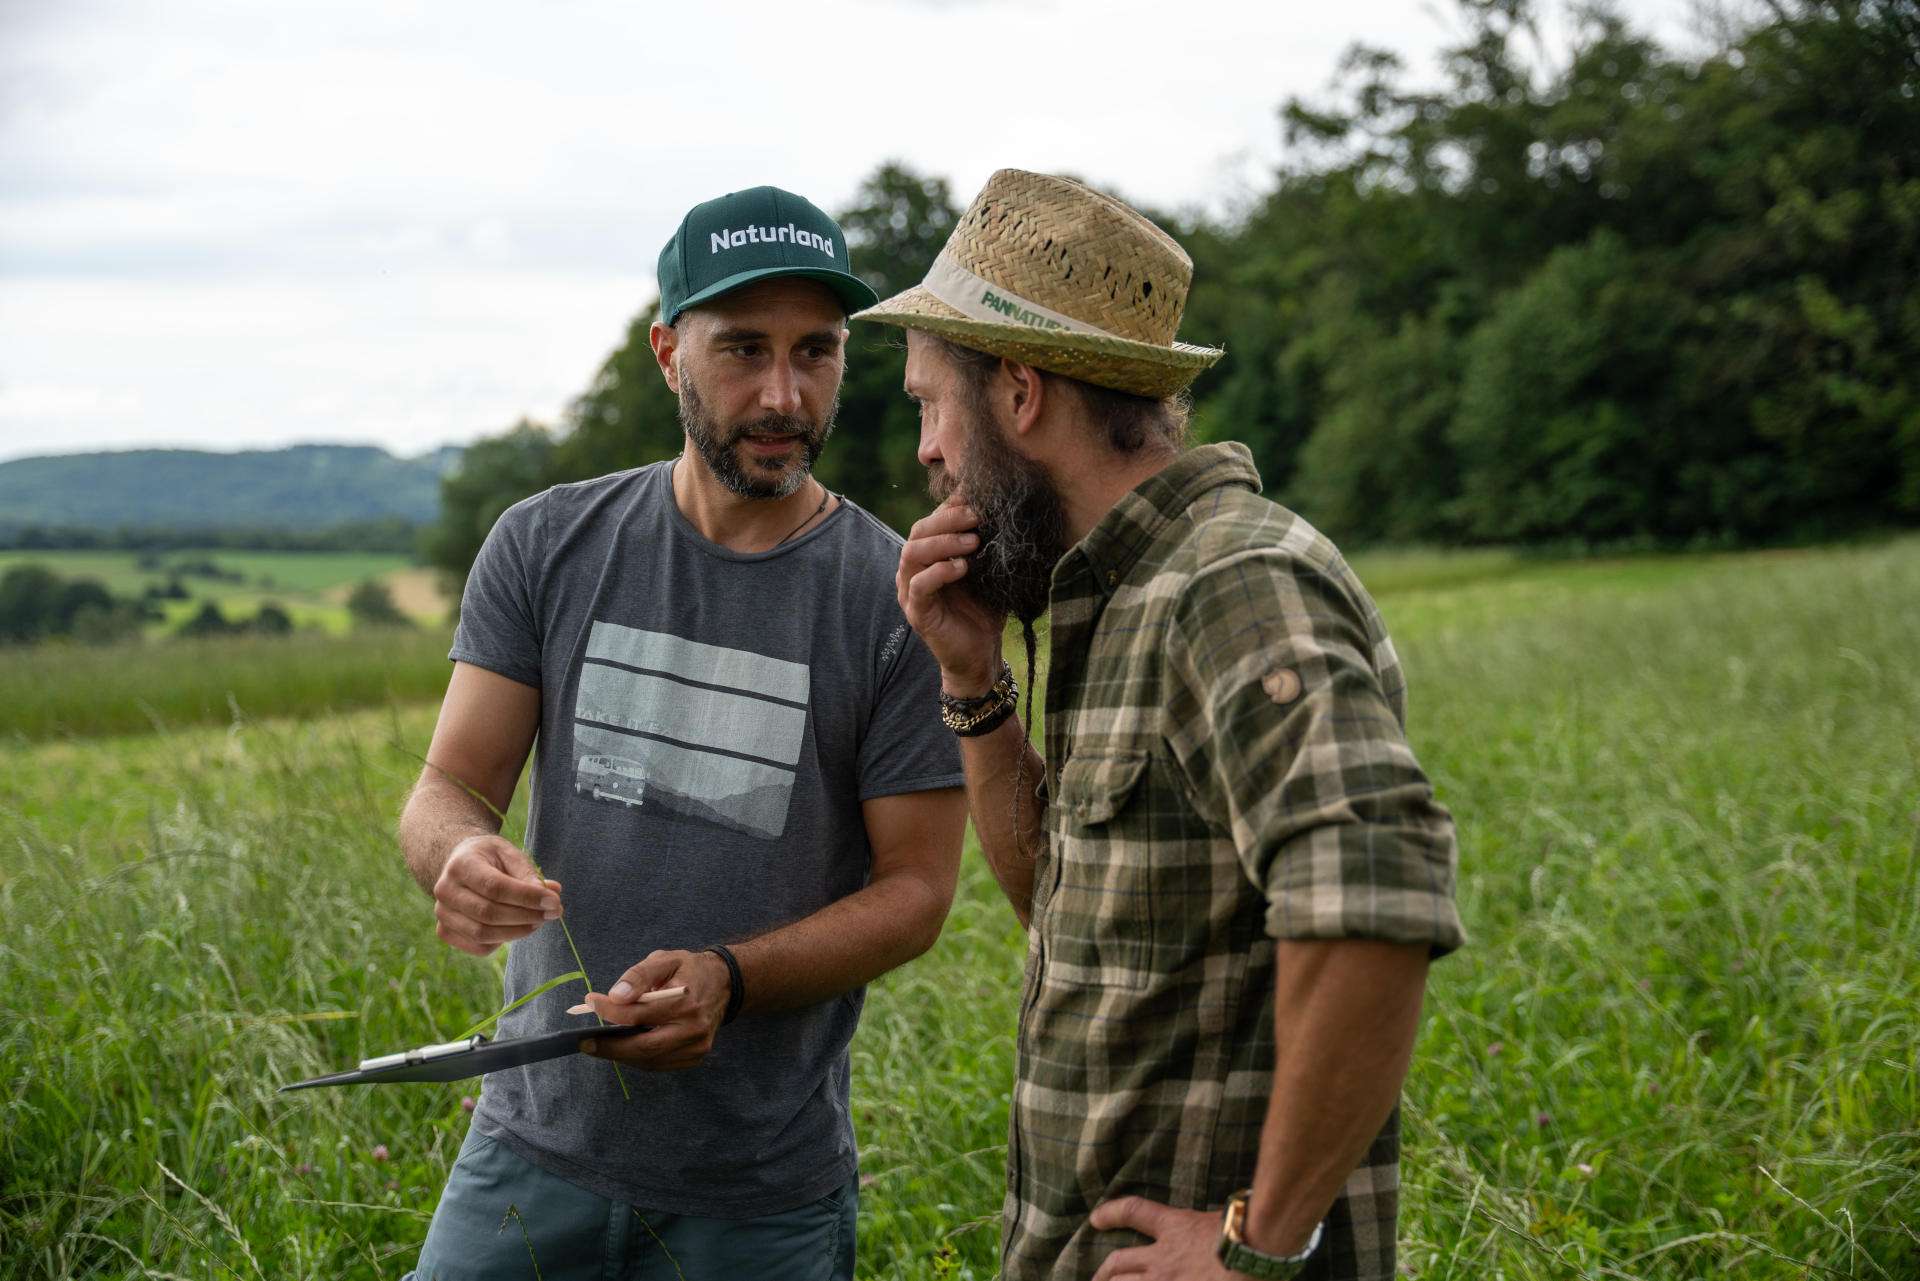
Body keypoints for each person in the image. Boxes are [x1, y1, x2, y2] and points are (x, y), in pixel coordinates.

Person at [868, 170, 1466, 1281]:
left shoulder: (1231, 583)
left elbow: (1378, 895)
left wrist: (1259, 1247)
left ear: (1018, 392)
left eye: (927, 403)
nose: (926, 452)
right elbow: (1055, 904)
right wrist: (973, 679)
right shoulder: (1121, 596)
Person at [398, 184, 967, 1280]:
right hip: (527, 1155)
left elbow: (916, 894)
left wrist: (730, 977)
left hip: (758, 1200)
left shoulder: (892, 598)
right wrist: (459, 856)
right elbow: (448, 790)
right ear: (668, 352)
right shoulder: (547, 545)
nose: (783, 394)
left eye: (818, 352)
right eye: (742, 350)